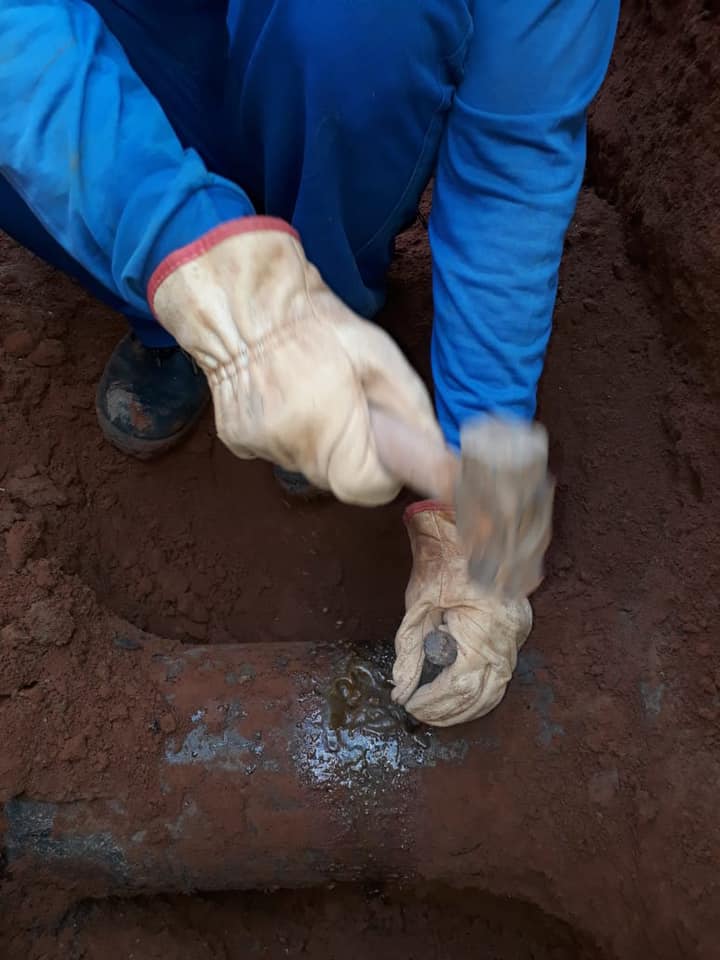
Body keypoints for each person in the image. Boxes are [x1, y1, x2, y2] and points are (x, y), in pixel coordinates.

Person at [0, 1, 619, 726]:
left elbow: (509, 170)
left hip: (316, 59)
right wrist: (177, 238)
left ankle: (328, 300)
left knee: (358, 22)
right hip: (136, 41)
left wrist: (474, 484)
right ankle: (162, 313)